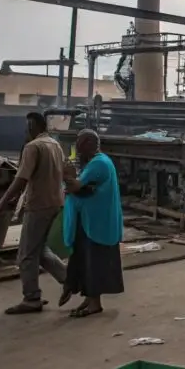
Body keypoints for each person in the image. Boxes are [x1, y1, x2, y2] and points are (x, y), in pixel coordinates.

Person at [0, 112, 67, 314]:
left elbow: (21, 179)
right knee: (39, 250)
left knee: (25, 255)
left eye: (26, 128)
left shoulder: (33, 147)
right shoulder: (55, 144)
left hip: (39, 205)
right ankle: (70, 279)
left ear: (32, 127)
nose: (24, 132)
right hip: (54, 203)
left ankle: (31, 298)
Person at [60, 129, 124, 317]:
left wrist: (66, 174)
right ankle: (89, 298)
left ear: (88, 143)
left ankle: (94, 303)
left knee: (93, 262)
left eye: (79, 143)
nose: (77, 148)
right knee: (86, 260)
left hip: (96, 224)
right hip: (92, 222)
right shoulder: (100, 161)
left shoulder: (99, 164)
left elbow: (75, 186)